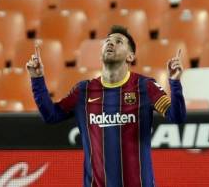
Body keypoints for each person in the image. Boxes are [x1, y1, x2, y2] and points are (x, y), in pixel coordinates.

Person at [27, 25, 186, 187]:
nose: (111, 44)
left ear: (130, 57)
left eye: (119, 42)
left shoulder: (145, 87)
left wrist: (174, 83)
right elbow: (51, 116)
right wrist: (37, 79)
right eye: (108, 41)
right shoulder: (84, 91)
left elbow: (177, 117)